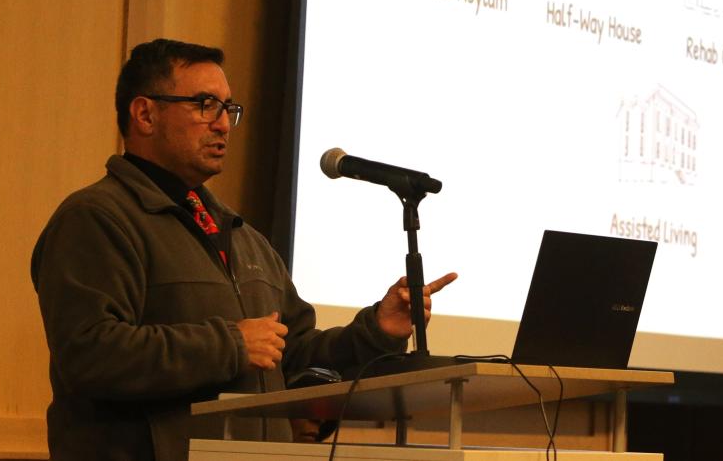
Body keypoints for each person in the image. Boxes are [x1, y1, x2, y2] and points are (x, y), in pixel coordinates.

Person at [31, 38, 457, 461]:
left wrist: (376, 331)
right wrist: (230, 346)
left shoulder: (240, 234)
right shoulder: (96, 219)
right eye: (204, 105)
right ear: (145, 114)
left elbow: (292, 353)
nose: (222, 124)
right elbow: (90, 355)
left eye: (228, 108)